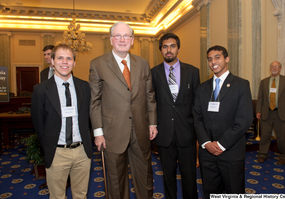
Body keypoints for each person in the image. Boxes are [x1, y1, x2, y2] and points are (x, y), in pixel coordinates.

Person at [89, 22, 158, 199]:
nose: (122, 39)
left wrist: (153, 123)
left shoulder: (143, 63)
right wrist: (98, 132)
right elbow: (94, 101)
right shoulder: (97, 64)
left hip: (141, 130)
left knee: (145, 177)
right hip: (112, 133)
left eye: (126, 36)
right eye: (117, 36)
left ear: (132, 40)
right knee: (115, 182)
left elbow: (149, 95)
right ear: (111, 40)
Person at [31, 44, 93, 199]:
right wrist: (48, 146)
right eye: (60, 58)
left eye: (69, 58)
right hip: (57, 152)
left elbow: (90, 117)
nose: (64, 62)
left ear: (74, 62)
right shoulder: (40, 90)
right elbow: (38, 123)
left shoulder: (85, 87)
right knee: (57, 196)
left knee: (81, 195)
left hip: (82, 152)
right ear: (52, 61)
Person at [193, 45, 253, 198]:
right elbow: (197, 118)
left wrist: (220, 145)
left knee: (234, 193)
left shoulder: (241, 85)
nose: (213, 62)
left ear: (227, 59)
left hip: (231, 152)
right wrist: (206, 143)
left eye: (217, 57)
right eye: (210, 59)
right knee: (211, 193)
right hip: (207, 154)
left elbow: (244, 120)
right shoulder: (202, 88)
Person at [151, 33, 200, 199]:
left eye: (172, 46)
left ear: (178, 48)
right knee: (168, 176)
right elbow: (151, 103)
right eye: (165, 47)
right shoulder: (152, 73)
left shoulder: (193, 72)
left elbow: (196, 104)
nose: (168, 50)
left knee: (189, 176)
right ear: (161, 50)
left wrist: (198, 132)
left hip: (186, 133)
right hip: (164, 135)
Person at [256, 61, 285, 165]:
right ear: (270, 68)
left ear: (280, 68)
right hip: (266, 113)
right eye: (272, 66)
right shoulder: (264, 82)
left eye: (276, 66)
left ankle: (284, 156)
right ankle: (262, 155)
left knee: (282, 137)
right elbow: (260, 98)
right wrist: (258, 111)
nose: (274, 68)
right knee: (265, 136)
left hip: (281, 114)